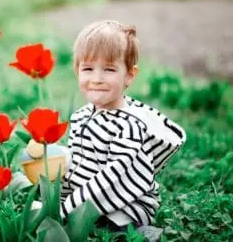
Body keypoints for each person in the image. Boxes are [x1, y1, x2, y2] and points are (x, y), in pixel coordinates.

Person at [59, 20, 186, 235]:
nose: (97, 79)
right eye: (88, 68)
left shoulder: (128, 127)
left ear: (129, 75)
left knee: (117, 227)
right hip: (88, 198)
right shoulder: (80, 117)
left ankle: (143, 234)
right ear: (77, 70)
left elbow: (113, 178)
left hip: (127, 202)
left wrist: (65, 209)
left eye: (109, 69)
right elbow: (79, 167)